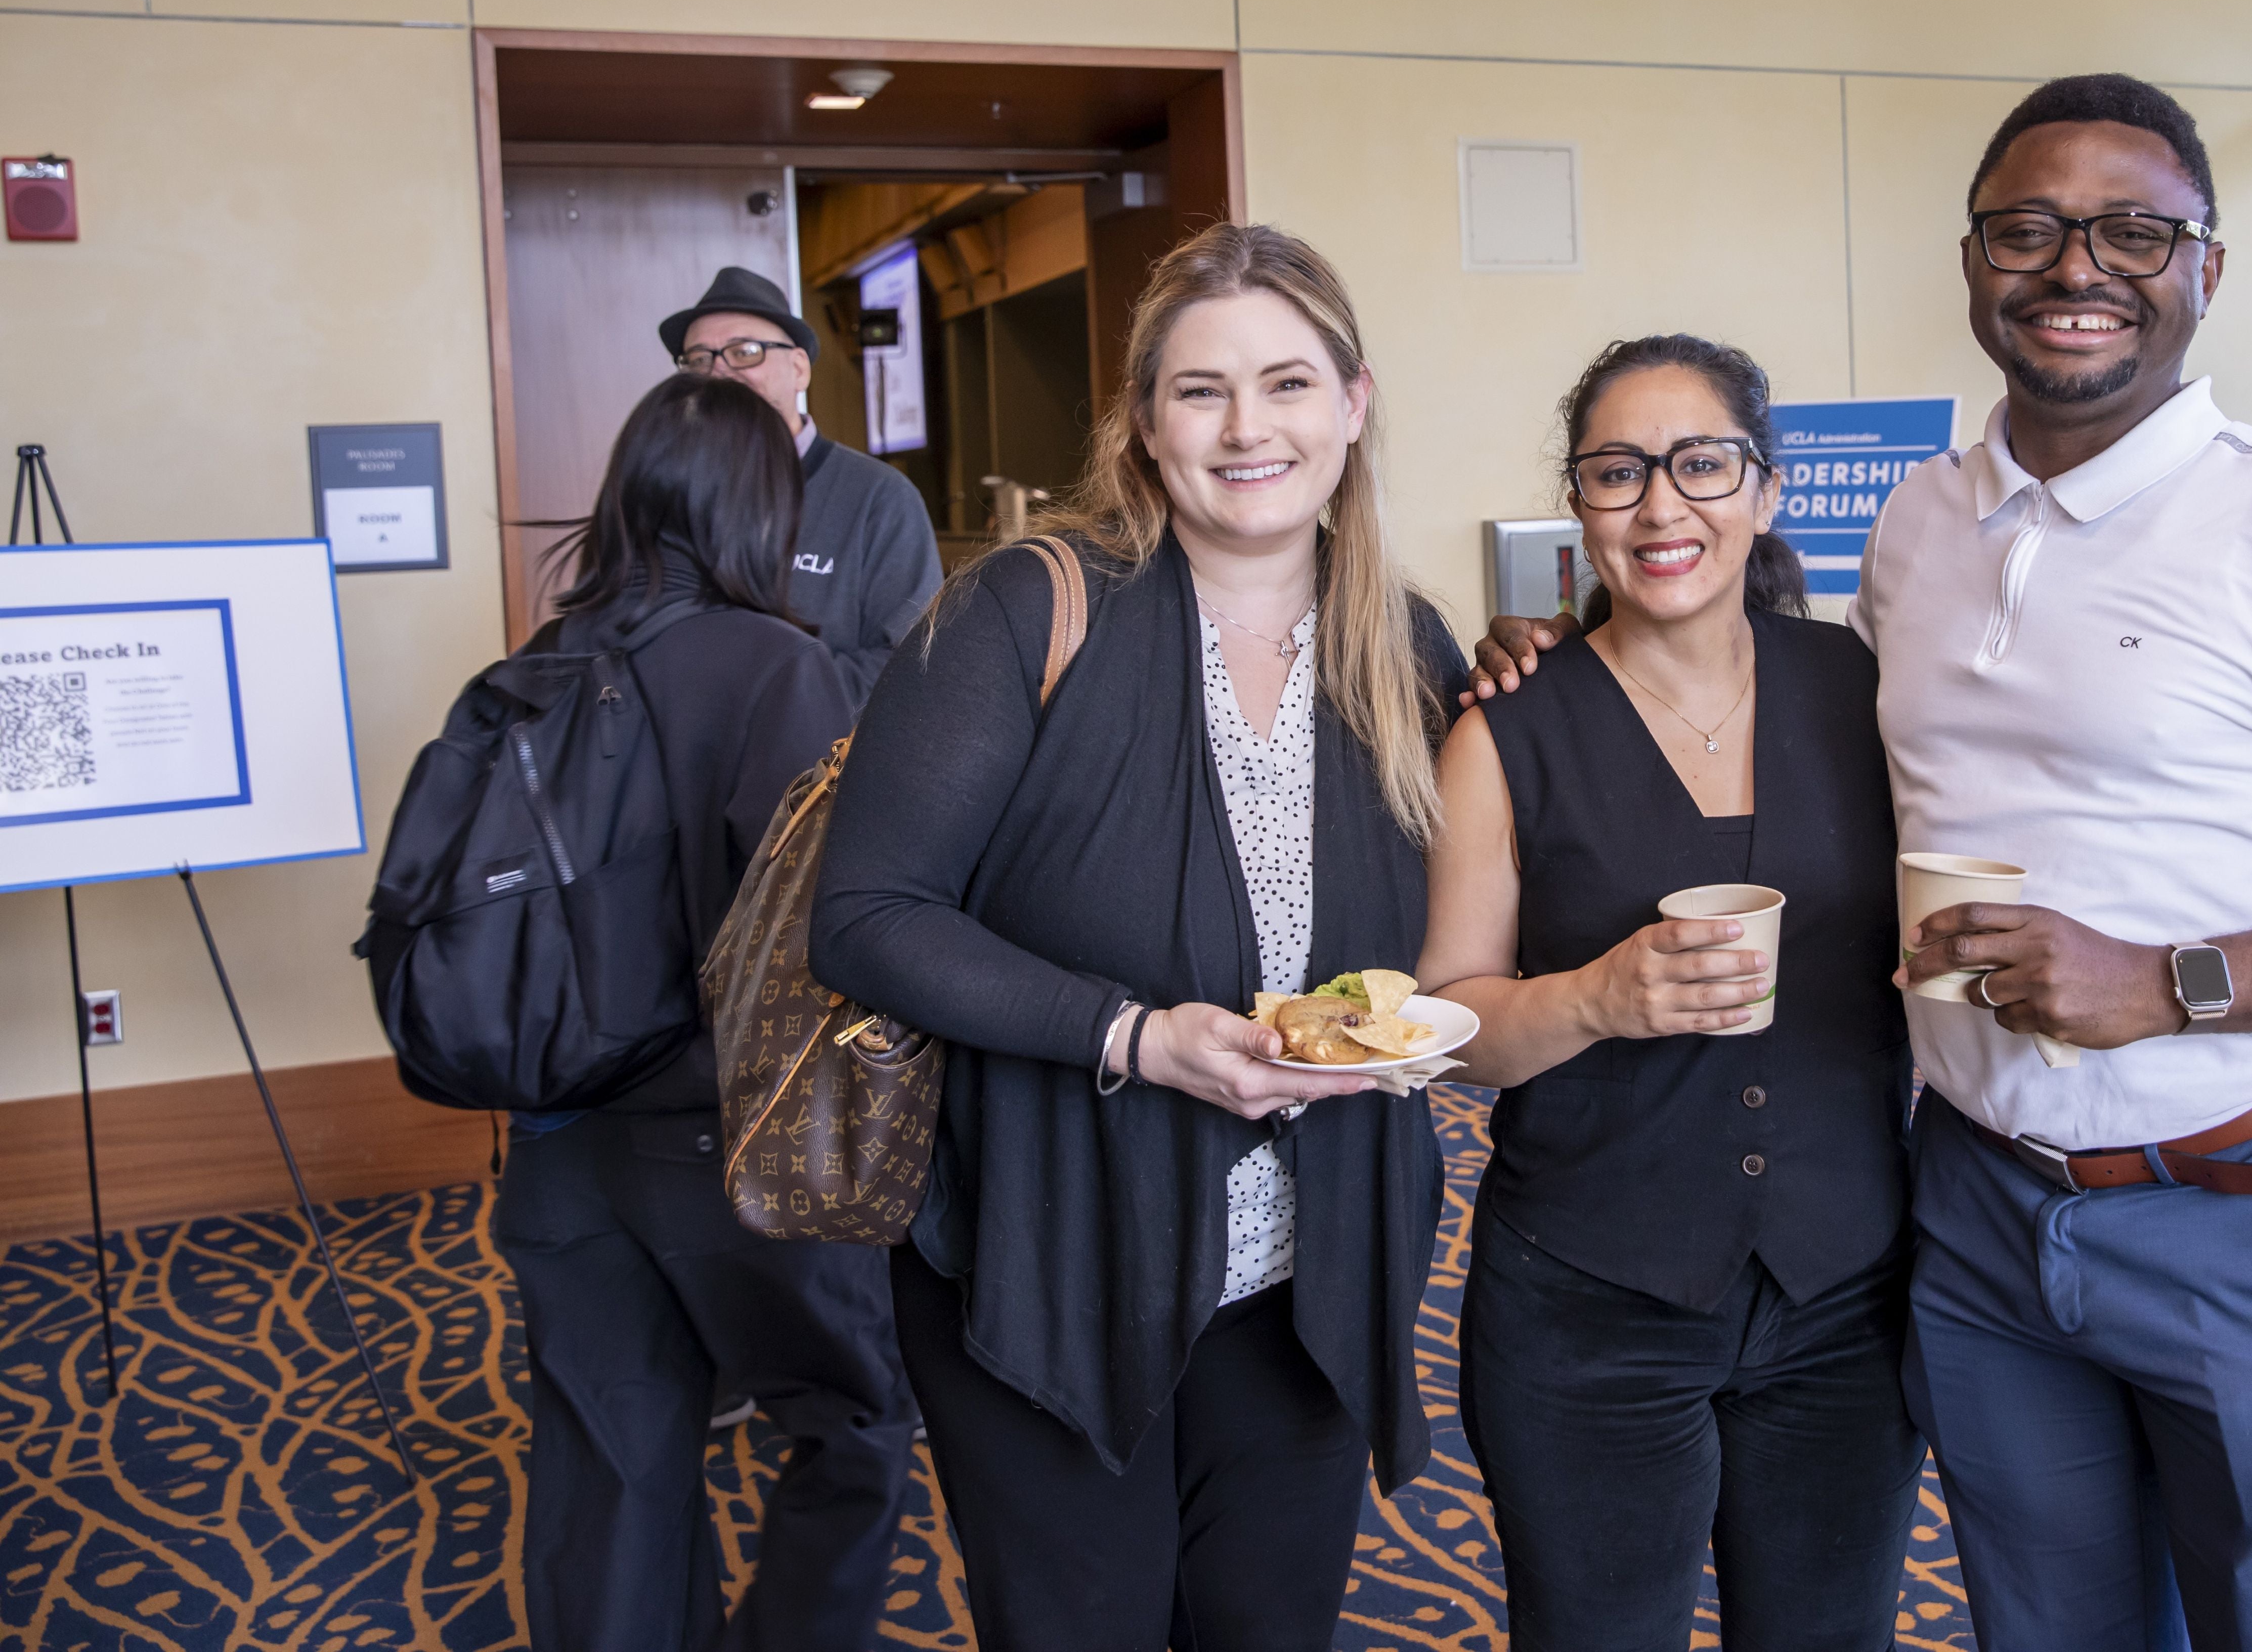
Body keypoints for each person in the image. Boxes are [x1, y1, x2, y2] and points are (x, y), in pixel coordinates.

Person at [1476, 78, 2252, 1646]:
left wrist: (2174, 983)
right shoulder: (1921, 525)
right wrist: (1568, 657)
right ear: (1974, 261)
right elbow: (1783, 731)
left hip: (2249, 1200)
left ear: (2209, 268)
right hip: (1977, 1209)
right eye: (2029, 230)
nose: (2077, 268)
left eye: (2136, 232)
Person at [809, 223, 1463, 1652]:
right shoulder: (1027, 610)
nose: (1248, 430)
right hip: (1058, 1251)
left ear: (1354, 405)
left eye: (1288, 385)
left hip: (1310, 1276)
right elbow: (865, 918)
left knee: (1268, 1629)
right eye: (1201, 391)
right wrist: (1135, 1037)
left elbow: (1471, 933)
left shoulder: (1409, 652)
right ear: (1145, 424)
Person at [1418, 336, 1922, 1652]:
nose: (1659, 506)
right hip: (1589, 1300)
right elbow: (1451, 1022)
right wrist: (1595, 999)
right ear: (1577, 504)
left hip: (1846, 1288)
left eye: (1701, 465)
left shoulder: (1866, 694)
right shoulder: (1507, 729)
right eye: (1617, 471)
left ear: (1766, 489)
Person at [496, 374, 919, 1652]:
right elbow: (832, 920)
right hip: (731, 1146)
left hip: (558, 1140)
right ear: (761, 509)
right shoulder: (776, 667)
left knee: (609, 1462)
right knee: (855, 1421)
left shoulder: (534, 666)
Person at [658, 265, 942, 699]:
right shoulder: (666, 495)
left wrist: (751, 699)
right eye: (698, 360)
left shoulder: (878, 498)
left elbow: (909, 668)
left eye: (745, 352)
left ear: (799, 370)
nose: (717, 373)